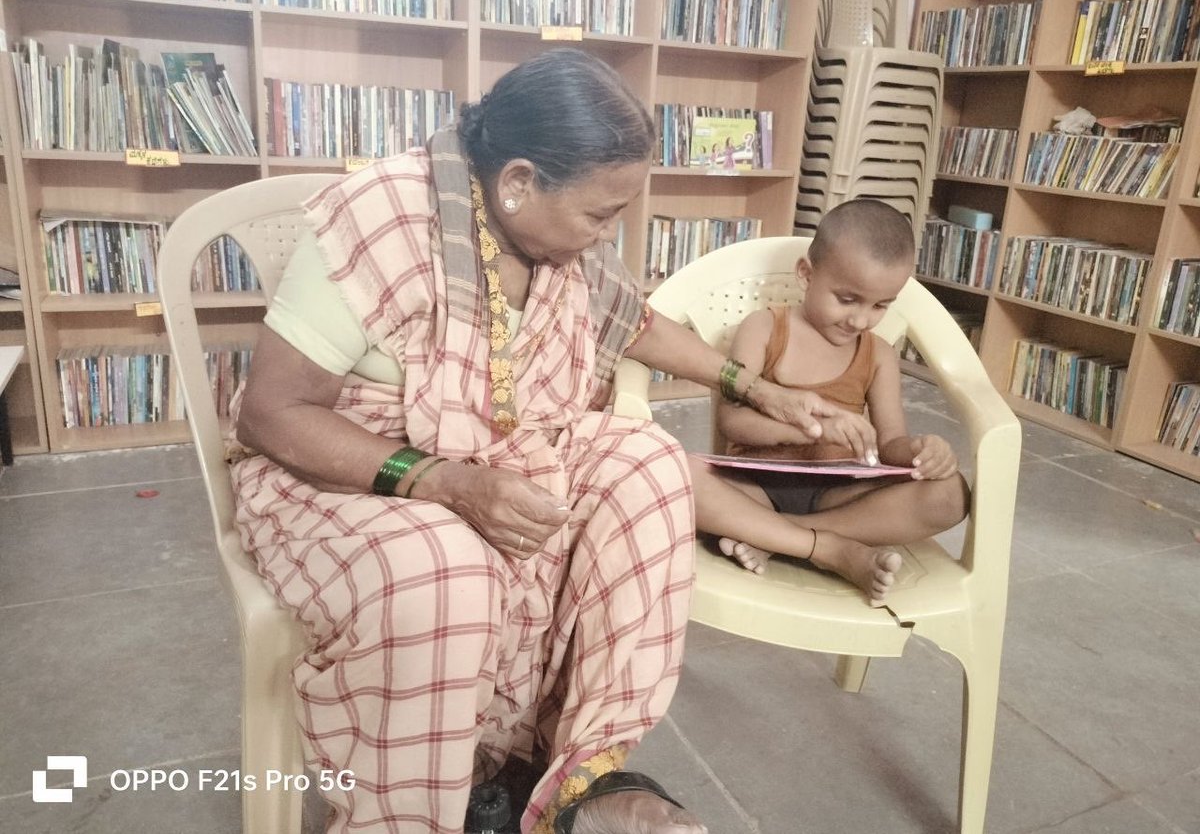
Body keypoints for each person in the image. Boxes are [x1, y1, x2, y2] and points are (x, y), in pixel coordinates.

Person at [230, 48, 863, 834]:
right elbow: (272, 414)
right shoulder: (383, 219)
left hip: (495, 450)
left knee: (648, 465)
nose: (607, 238)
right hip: (345, 467)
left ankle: (581, 779)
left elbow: (635, 322)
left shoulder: (557, 244)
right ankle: (414, 812)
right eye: (600, 216)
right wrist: (443, 481)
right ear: (519, 181)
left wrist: (759, 387)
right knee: (442, 568)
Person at [687, 199, 972, 606]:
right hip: (756, 486)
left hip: (838, 493)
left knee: (951, 494)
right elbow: (733, 421)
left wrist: (921, 452)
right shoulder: (765, 328)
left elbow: (891, 443)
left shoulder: (879, 355)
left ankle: (779, 535)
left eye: (880, 306)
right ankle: (833, 549)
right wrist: (806, 428)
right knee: (679, 476)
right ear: (806, 274)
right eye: (847, 299)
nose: (859, 320)